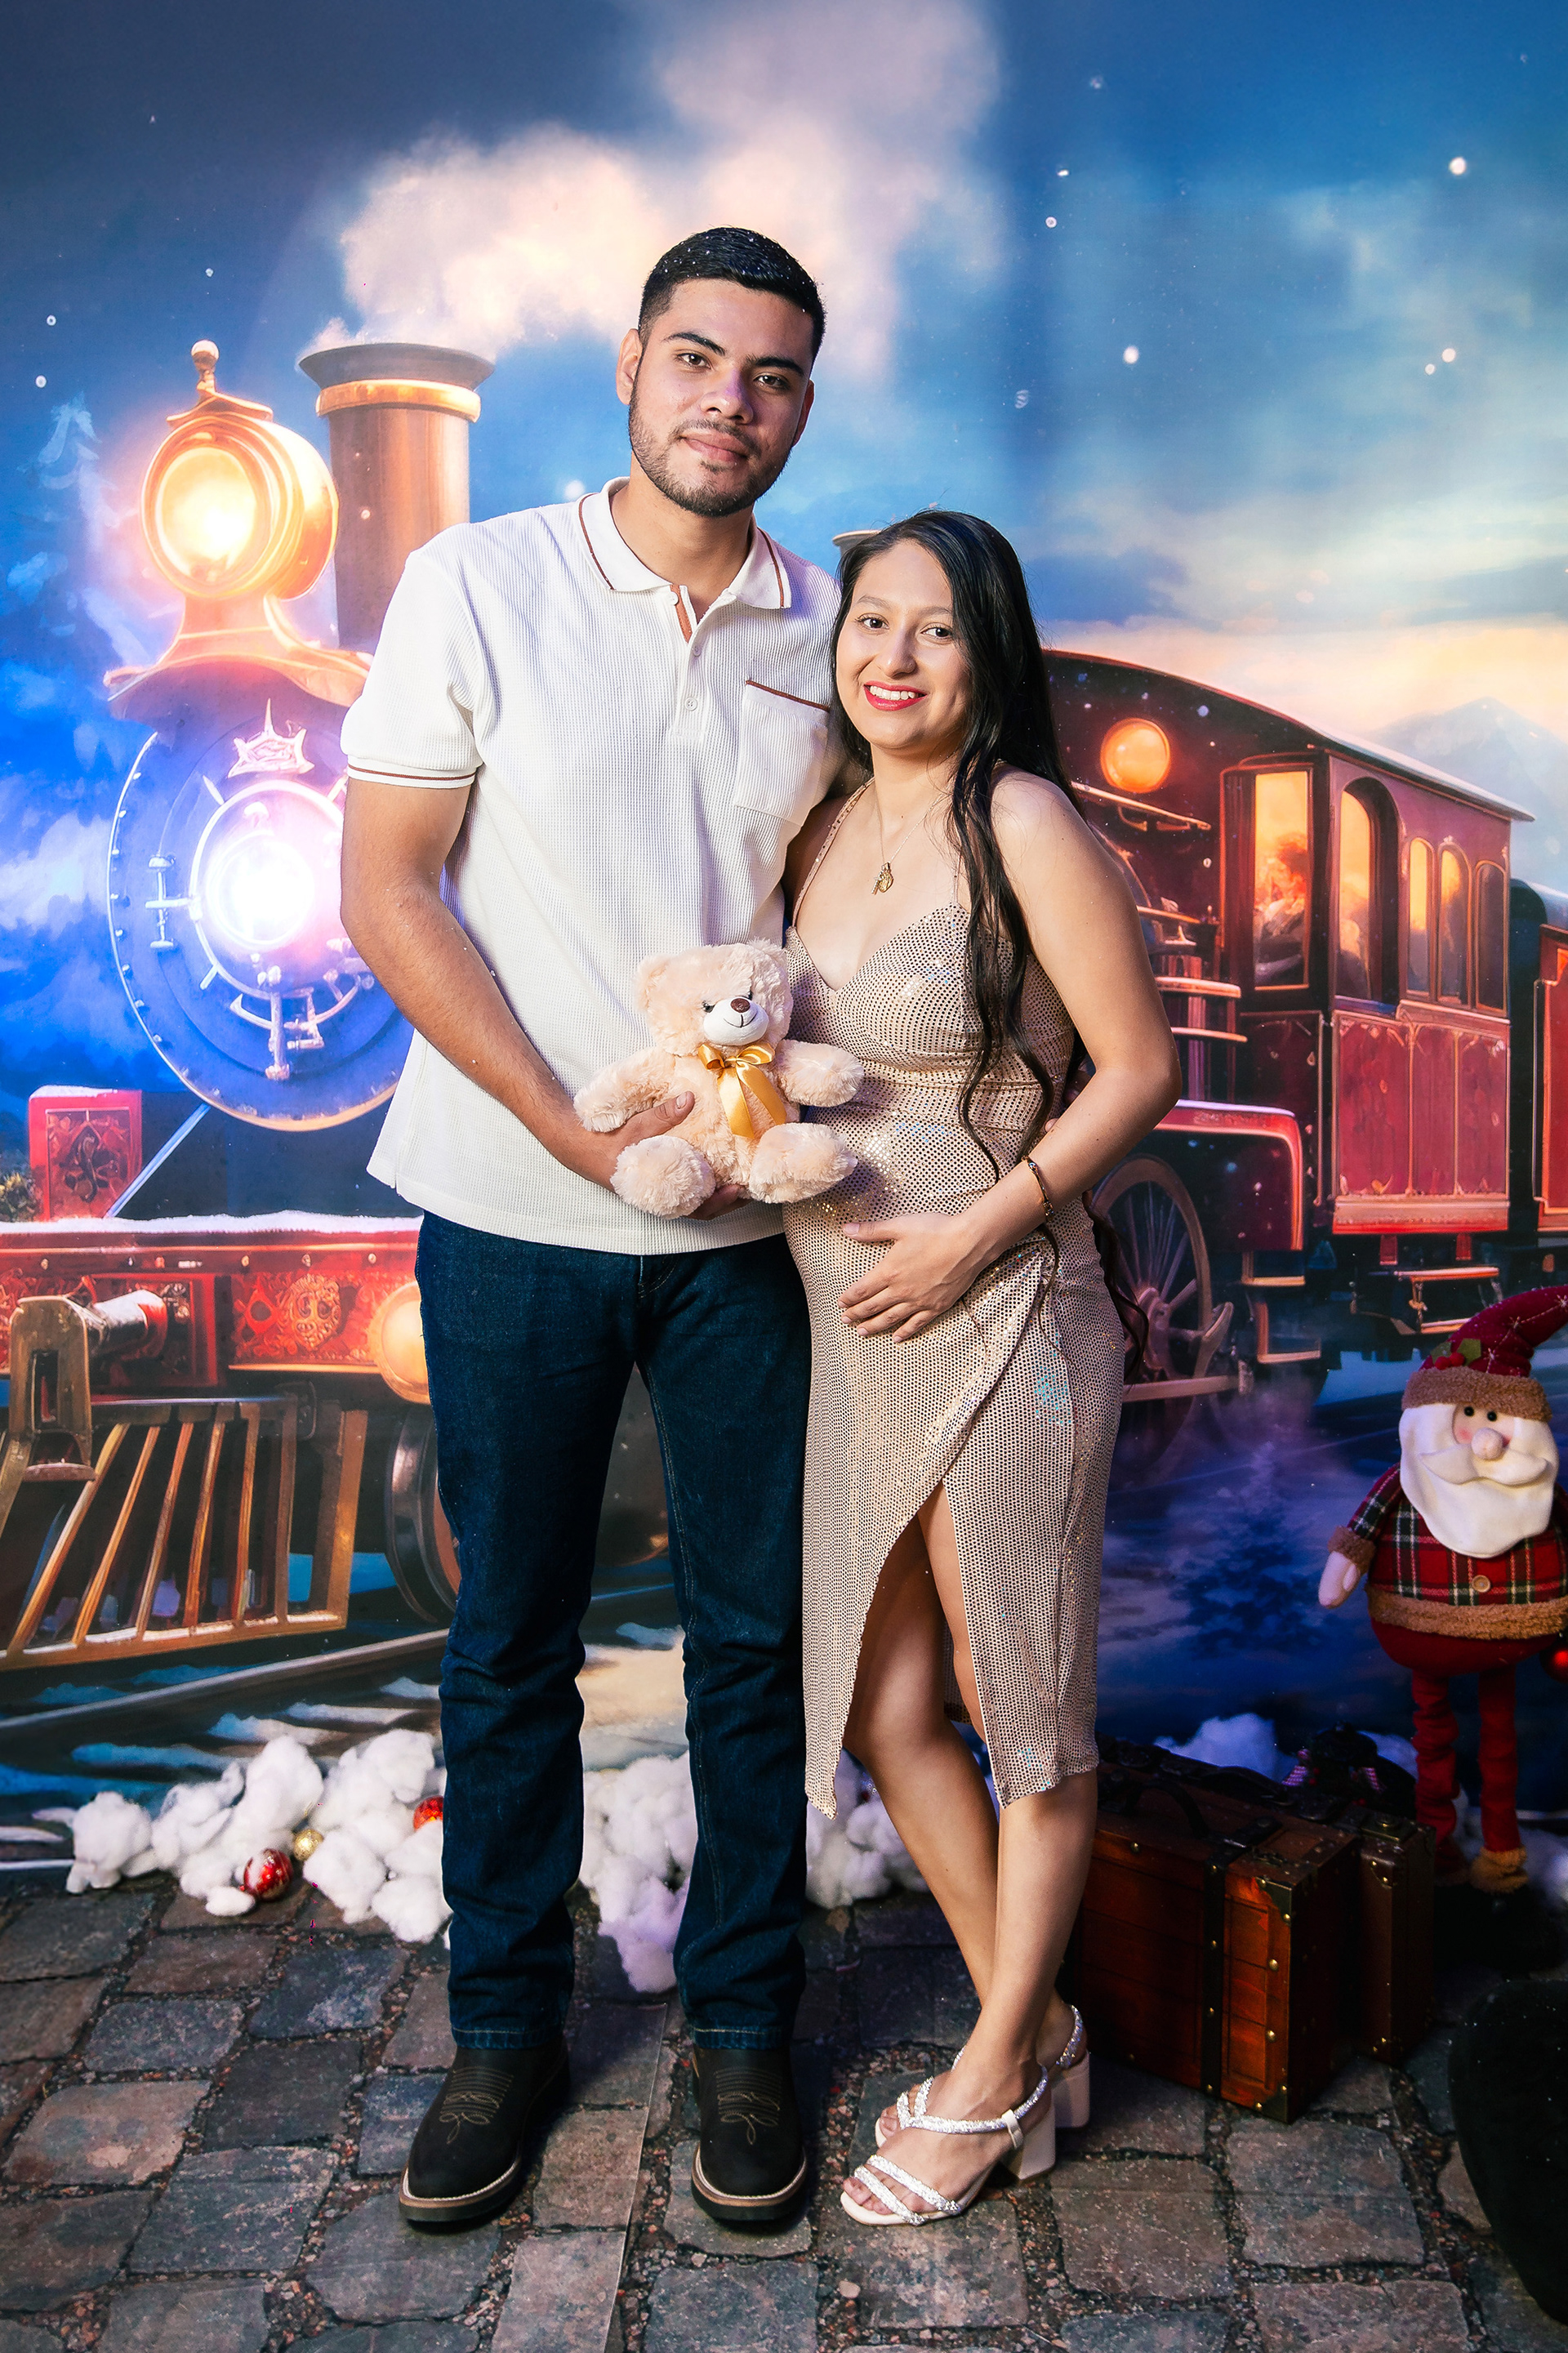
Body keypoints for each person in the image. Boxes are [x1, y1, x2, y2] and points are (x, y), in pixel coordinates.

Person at [338, 226, 838, 2234]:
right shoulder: (477, 582)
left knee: (751, 1642)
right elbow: (389, 890)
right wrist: (577, 1134)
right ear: (632, 364)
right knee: (509, 1638)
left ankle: (745, 2031)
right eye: (699, 357)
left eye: (773, 375)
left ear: (804, 407)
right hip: (509, 1201)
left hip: (749, 1242)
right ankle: (503, 2036)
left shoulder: (835, 625)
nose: (732, 400)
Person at [780, 513, 1182, 2226]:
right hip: (854, 1335)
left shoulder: (1019, 819)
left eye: (936, 629)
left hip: (1007, 1311)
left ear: (987, 654)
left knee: (1026, 1721)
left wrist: (974, 1234)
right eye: (871, 621)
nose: (895, 656)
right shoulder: (818, 819)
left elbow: (1139, 1069)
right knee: (888, 1709)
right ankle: (1043, 2029)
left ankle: (998, 2069)